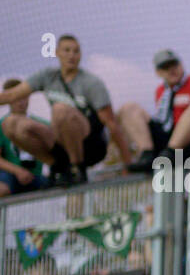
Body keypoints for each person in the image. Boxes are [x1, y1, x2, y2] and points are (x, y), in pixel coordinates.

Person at [0, 35, 133, 185]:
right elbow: (11, 95)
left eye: (76, 51)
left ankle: (77, 167)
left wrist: (127, 163)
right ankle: (57, 165)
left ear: (81, 55)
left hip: (90, 145)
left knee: (60, 110)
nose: (71, 55)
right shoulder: (48, 76)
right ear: (57, 52)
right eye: (67, 50)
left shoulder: (91, 83)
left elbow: (112, 123)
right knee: (10, 123)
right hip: (62, 143)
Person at [119, 50, 190, 173]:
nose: (171, 70)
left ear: (181, 65)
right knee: (129, 108)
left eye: (174, 65)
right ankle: (147, 155)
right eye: (165, 67)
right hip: (166, 137)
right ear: (158, 72)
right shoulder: (161, 91)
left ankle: (170, 153)